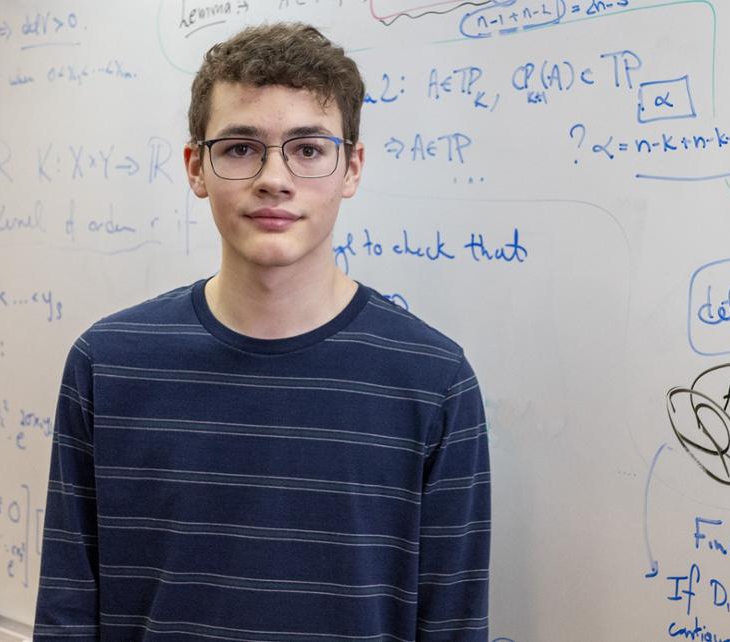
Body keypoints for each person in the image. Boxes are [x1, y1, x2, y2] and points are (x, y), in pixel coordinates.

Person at [33, 22, 490, 641]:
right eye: (242, 147)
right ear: (197, 167)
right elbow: (65, 616)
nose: (274, 177)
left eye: (307, 149)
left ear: (351, 167)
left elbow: (454, 625)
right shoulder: (109, 364)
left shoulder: (434, 381)